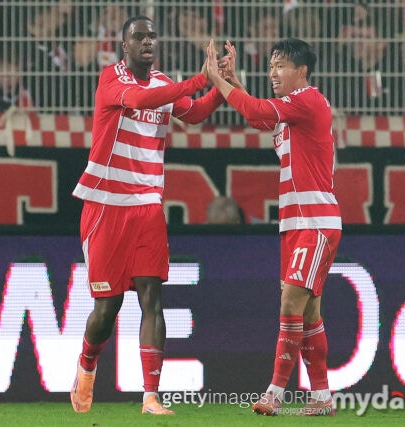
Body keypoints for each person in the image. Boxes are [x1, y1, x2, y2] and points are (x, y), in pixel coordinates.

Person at [70, 15, 226, 415]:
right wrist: (200, 78)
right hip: (106, 203)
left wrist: (222, 86)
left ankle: (151, 396)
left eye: (152, 36)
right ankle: (87, 363)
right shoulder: (112, 79)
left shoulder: (163, 83)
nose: (147, 42)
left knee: (152, 297)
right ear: (124, 45)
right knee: (107, 308)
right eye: (139, 36)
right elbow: (140, 102)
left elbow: (194, 113)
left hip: (147, 205)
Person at [205, 38, 341, 416]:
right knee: (309, 313)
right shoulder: (290, 110)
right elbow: (259, 116)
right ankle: (321, 397)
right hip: (295, 222)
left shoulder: (309, 100)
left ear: (302, 71)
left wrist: (217, 80)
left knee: (290, 302)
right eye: (271, 66)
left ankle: (274, 394)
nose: (273, 73)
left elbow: (255, 109)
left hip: (315, 221)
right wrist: (234, 81)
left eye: (281, 66)